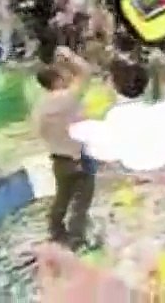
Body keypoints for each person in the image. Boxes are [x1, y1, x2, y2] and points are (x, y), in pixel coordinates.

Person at [32, 46, 96, 249]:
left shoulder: (39, 107)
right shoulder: (68, 97)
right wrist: (69, 57)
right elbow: (86, 72)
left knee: (62, 198)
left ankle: (56, 232)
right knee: (81, 202)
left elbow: (40, 132)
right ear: (57, 80)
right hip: (79, 157)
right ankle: (78, 240)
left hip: (58, 159)